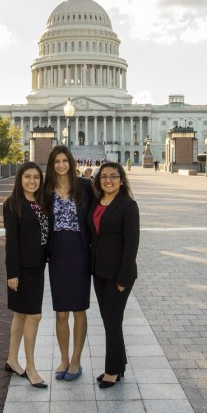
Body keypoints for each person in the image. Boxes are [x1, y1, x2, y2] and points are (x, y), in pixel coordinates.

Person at [44, 146, 93, 382]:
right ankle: (63, 358)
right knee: (61, 311)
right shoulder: (46, 190)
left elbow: (99, 213)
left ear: (71, 163)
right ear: (52, 165)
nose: (61, 165)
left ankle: (76, 360)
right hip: (57, 252)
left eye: (65, 161)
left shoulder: (84, 187)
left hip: (80, 251)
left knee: (79, 309)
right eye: (57, 161)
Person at [89, 161, 139, 388]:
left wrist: (124, 277)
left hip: (119, 274)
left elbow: (132, 244)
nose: (108, 180)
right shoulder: (97, 203)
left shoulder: (128, 205)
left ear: (121, 179)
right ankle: (120, 362)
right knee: (109, 320)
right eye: (104, 177)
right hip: (99, 271)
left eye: (113, 176)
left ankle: (112, 370)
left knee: (112, 320)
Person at [2, 162, 49, 388]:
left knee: (20, 315)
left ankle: (12, 359)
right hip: (22, 270)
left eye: (36, 177)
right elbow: (11, 242)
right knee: (34, 316)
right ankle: (30, 367)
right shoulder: (12, 204)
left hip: (37, 267)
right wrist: (12, 273)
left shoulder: (39, 203)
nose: (32, 181)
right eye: (27, 177)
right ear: (20, 179)